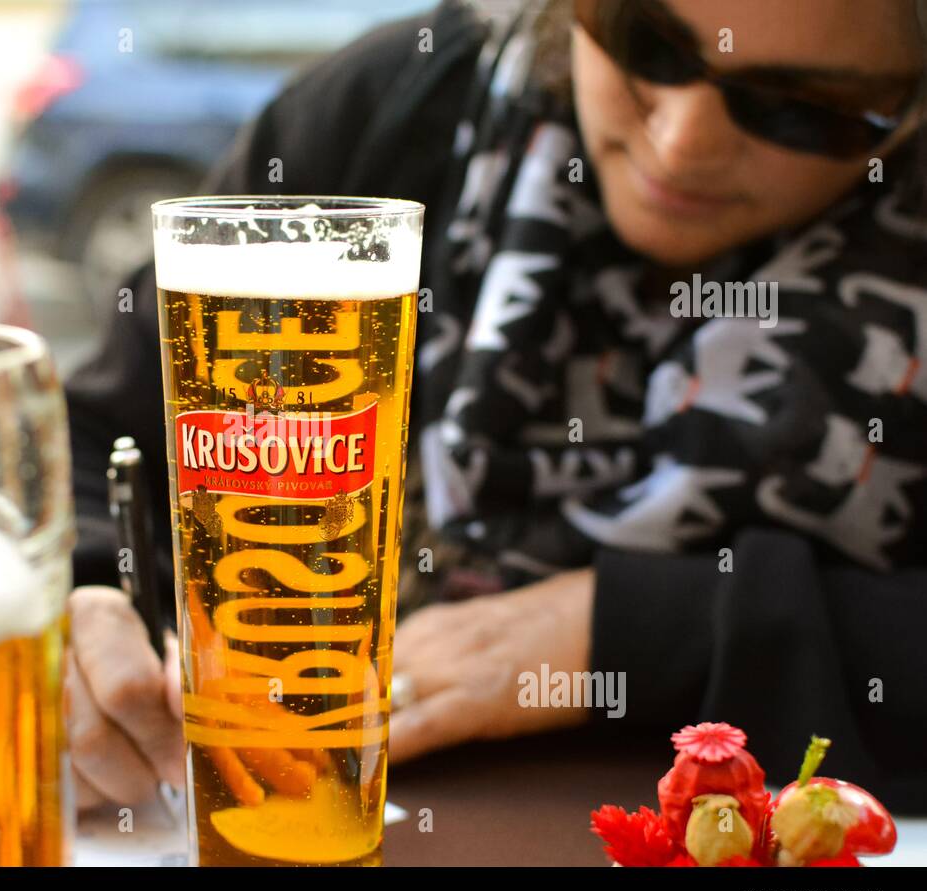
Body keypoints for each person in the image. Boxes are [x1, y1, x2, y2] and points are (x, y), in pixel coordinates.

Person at [63, 0, 927, 814]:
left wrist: (630, 630)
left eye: (798, 105)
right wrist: (86, 603)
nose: (681, 142)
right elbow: (102, 437)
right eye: (642, 43)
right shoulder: (399, 105)